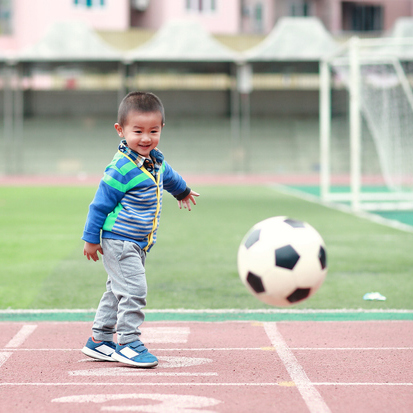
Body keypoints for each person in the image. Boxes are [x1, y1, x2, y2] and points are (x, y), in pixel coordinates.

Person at [81, 91, 199, 368]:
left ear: (161, 129)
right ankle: (128, 343)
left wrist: (182, 191)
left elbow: (168, 177)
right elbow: (99, 205)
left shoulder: (154, 161)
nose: (146, 138)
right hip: (119, 241)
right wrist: (90, 239)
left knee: (116, 290)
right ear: (120, 131)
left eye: (153, 131)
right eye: (138, 131)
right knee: (134, 290)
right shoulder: (120, 168)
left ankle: (99, 340)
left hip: (137, 242)